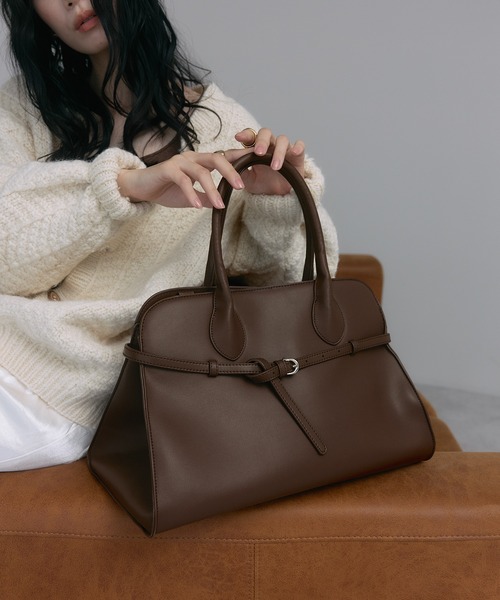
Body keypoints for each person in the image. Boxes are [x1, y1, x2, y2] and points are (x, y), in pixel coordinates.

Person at [0, 0, 339, 471]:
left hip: (56, 390)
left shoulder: (221, 128)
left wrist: (275, 202)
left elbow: (293, 287)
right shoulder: (24, 106)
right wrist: (121, 188)